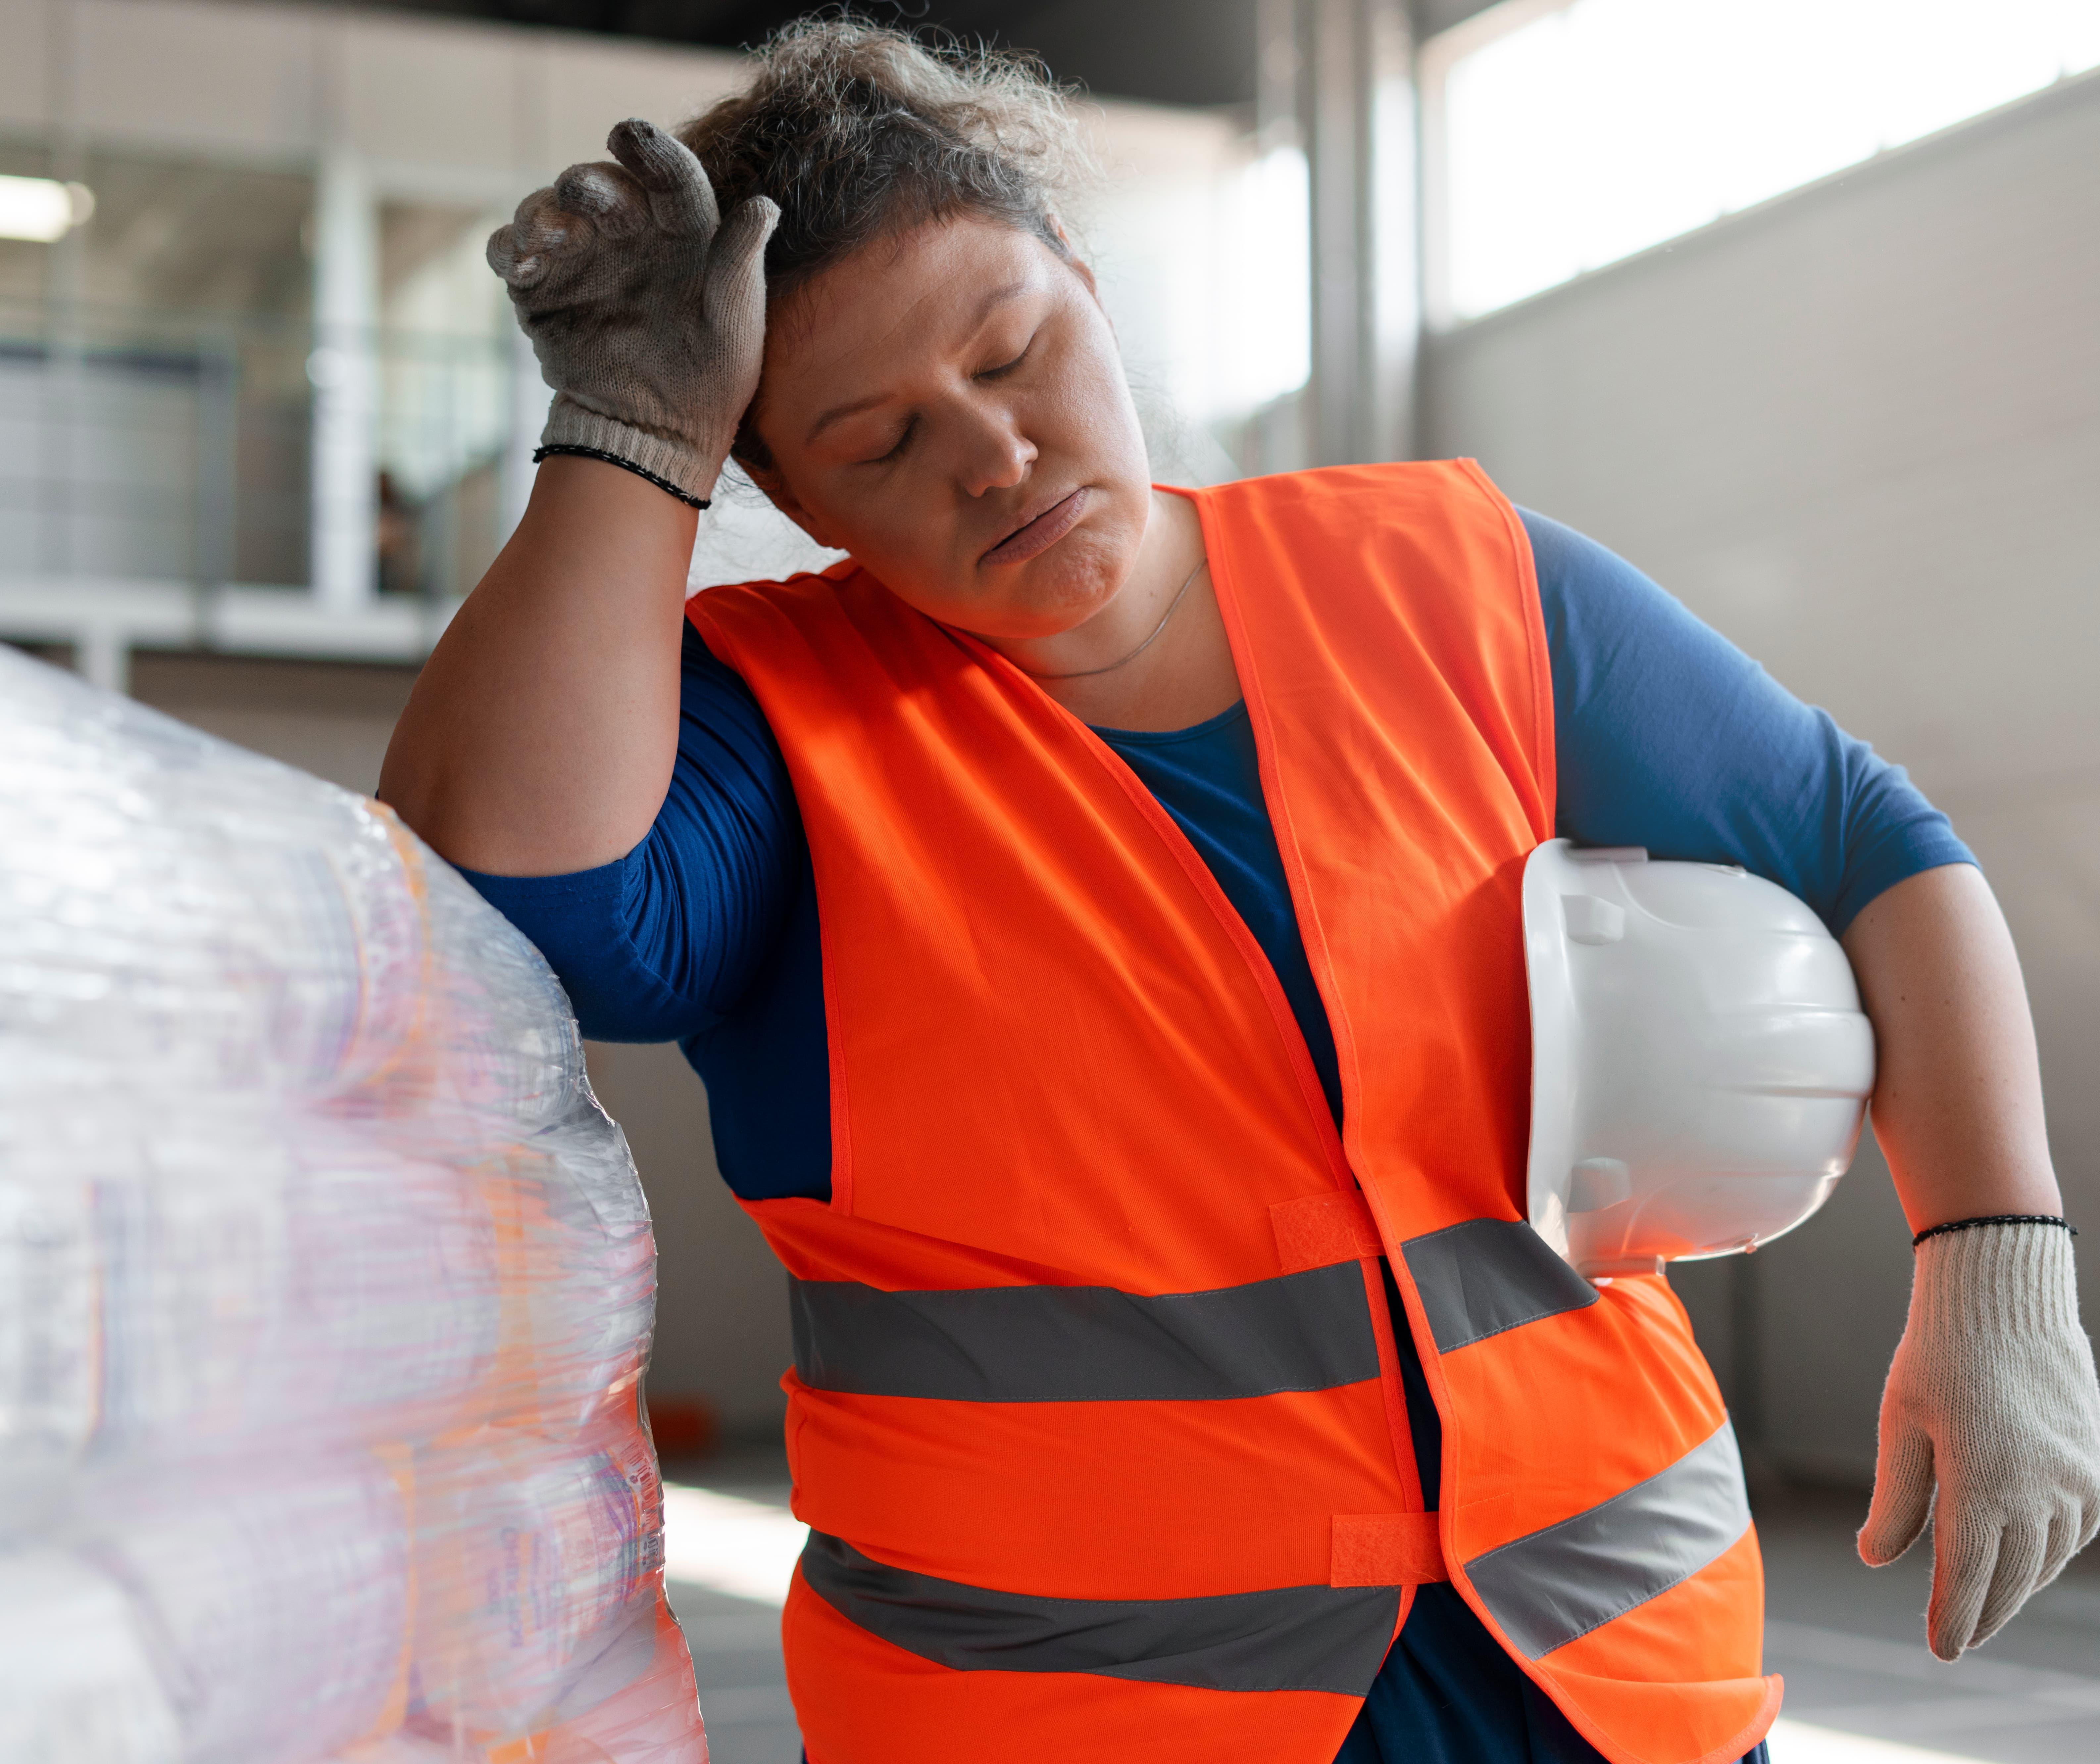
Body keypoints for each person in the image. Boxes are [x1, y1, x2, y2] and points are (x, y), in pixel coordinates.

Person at [378, 22, 2100, 1764]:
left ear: (1091, 288)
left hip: (1604, 1669)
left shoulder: (1452, 580)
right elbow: (519, 901)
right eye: (877, 441)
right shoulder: (764, 726)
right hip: (1065, 1711)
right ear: (779, 490)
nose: (988, 454)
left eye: (1012, 351)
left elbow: (1864, 841)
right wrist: (624, 439)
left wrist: (1995, 1269)